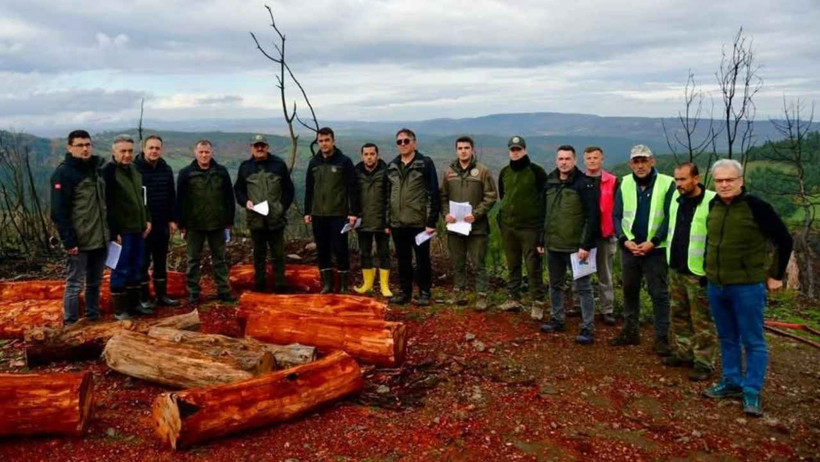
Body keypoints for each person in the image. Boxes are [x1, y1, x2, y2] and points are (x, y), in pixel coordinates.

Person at [702, 159, 792, 417]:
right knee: (727, 337)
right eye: (719, 180)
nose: (724, 184)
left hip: (747, 286)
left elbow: (784, 240)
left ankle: (751, 390)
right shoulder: (713, 205)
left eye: (729, 179)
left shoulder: (757, 207)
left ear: (741, 180)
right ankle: (731, 382)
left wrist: (776, 276)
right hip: (717, 285)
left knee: (753, 340)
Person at [611, 144, 675, 354]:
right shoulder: (626, 182)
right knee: (630, 291)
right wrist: (624, 240)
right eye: (636, 161)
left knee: (659, 294)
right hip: (630, 248)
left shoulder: (667, 184)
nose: (640, 165)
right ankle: (630, 331)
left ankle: (661, 338)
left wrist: (654, 241)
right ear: (631, 164)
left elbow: (669, 217)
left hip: (655, 250)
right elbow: (617, 215)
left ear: (652, 161)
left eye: (644, 160)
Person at [538, 145, 599, 344]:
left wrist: (585, 245)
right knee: (555, 285)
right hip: (554, 244)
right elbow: (543, 213)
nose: (564, 162)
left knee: (583, 287)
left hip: (576, 247)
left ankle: (588, 328)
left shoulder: (584, 184)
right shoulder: (550, 181)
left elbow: (593, 217)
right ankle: (557, 319)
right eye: (561, 159)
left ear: (574, 161)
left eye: (567, 159)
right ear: (556, 160)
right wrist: (541, 239)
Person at [663, 163, 718, 381]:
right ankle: (683, 352)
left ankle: (704, 362)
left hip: (699, 273)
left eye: (683, 179)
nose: (679, 184)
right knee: (678, 314)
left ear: (696, 178)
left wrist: (709, 269)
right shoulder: (677, 201)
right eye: (677, 180)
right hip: (677, 267)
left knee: (702, 319)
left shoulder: (711, 201)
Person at [50, 130, 108, 324]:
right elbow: (58, 211)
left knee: (94, 283)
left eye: (88, 145)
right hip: (80, 239)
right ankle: (71, 324)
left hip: (99, 237)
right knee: (75, 284)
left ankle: (93, 319)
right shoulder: (64, 173)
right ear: (70, 147)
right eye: (80, 145)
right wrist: (68, 240)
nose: (85, 149)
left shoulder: (96, 168)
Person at [441, 136, 498, 310]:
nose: (463, 151)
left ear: (472, 150)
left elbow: (491, 196)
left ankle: (481, 295)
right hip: (455, 226)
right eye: (460, 148)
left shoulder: (482, 171)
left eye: (466, 147)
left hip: (477, 227)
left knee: (478, 263)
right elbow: (443, 197)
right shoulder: (449, 172)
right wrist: (446, 215)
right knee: (458, 262)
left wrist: (476, 214)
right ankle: (459, 292)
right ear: (456, 150)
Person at [176, 139, 236, 302]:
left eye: (207, 152)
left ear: (212, 152)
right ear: (195, 153)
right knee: (193, 260)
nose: (204, 155)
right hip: (194, 224)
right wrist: (182, 224)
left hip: (218, 223)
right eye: (201, 152)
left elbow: (229, 197)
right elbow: (180, 200)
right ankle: (193, 292)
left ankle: (223, 290)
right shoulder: (186, 173)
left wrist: (229, 220)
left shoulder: (221, 171)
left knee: (220, 258)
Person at [234, 134, 295, 293]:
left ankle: (280, 285)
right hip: (255, 219)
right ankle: (260, 285)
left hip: (276, 218)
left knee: (278, 254)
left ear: (267, 147)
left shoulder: (278, 165)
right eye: (256, 145)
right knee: (259, 255)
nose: (259, 148)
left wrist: (281, 207)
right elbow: (238, 189)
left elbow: (289, 190)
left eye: (262, 145)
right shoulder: (245, 167)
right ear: (252, 148)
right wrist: (244, 201)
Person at [386, 128, 440, 306]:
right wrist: (388, 220)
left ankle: (424, 292)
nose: (402, 144)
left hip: (419, 223)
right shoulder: (392, 166)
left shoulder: (424, 163)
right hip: (398, 223)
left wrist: (431, 221)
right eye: (399, 141)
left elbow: (433, 193)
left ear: (414, 143)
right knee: (403, 260)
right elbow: (388, 196)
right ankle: (405, 292)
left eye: (406, 141)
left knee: (422, 259)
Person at [304, 127, 360, 293]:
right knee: (322, 250)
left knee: (340, 249)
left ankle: (343, 286)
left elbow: (353, 188)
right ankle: (327, 284)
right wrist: (307, 211)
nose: (324, 144)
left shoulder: (344, 161)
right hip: (318, 214)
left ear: (333, 141)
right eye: (320, 141)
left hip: (338, 214)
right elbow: (309, 188)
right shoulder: (314, 162)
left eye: (327, 140)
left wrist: (353, 212)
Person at [103, 134, 152, 320]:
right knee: (120, 267)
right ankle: (120, 309)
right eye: (123, 151)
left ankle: (135, 304)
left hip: (138, 227)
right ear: (114, 151)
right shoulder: (108, 172)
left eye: (130, 151)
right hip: (122, 231)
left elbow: (142, 198)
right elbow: (107, 204)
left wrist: (146, 219)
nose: (127, 154)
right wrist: (113, 231)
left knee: (138, 266)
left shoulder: (134, 170)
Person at [497, 136, 547, 318]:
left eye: (518, 149)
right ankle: (513, 298)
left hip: (530, 228)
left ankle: (538, 302)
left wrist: (542, 230)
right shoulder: (504, 172)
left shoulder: (537, 172)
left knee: (533, 265)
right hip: (509, 226)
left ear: (525, 150)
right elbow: (504, 197)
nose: (515, 152)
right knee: (513, 264)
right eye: (512, 149)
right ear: (509, 151)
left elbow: (544, 201)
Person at [134, 134, 179, 309]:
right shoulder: (135, 169)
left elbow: (171, 196)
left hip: (161, 223)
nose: (154, 151)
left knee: (160, 261)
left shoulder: (165, 169)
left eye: (157, 148)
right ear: (144, 148)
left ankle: (162, 296)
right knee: (142, 262)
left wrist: (173, 219)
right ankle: (144, 298)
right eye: (151, 148)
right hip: (143, 225)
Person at [583, 146, 619, 326]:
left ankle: (607, 309)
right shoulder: (579, 180)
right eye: (589, 158)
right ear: (584, 160)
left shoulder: (612, 181)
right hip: (583, 235)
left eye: (595, 158)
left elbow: (618, 208)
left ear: (602, 160)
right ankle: (578, 305)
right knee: (581, 273)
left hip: (605, 234)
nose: (592, 161)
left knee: (605, 275)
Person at [352, 143, 393, 297]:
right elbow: (353, 197)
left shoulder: (386, 172)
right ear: (362, 156)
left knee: (384, 253)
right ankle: (367, 284)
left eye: (372, 154)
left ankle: (384, 286)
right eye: (366, 154)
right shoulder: (355, 173)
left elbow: (389, 198)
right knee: (364, 253)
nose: (369, 157)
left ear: (377, 155)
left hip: (381, 221)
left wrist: (388, 221)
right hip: (362, 220)